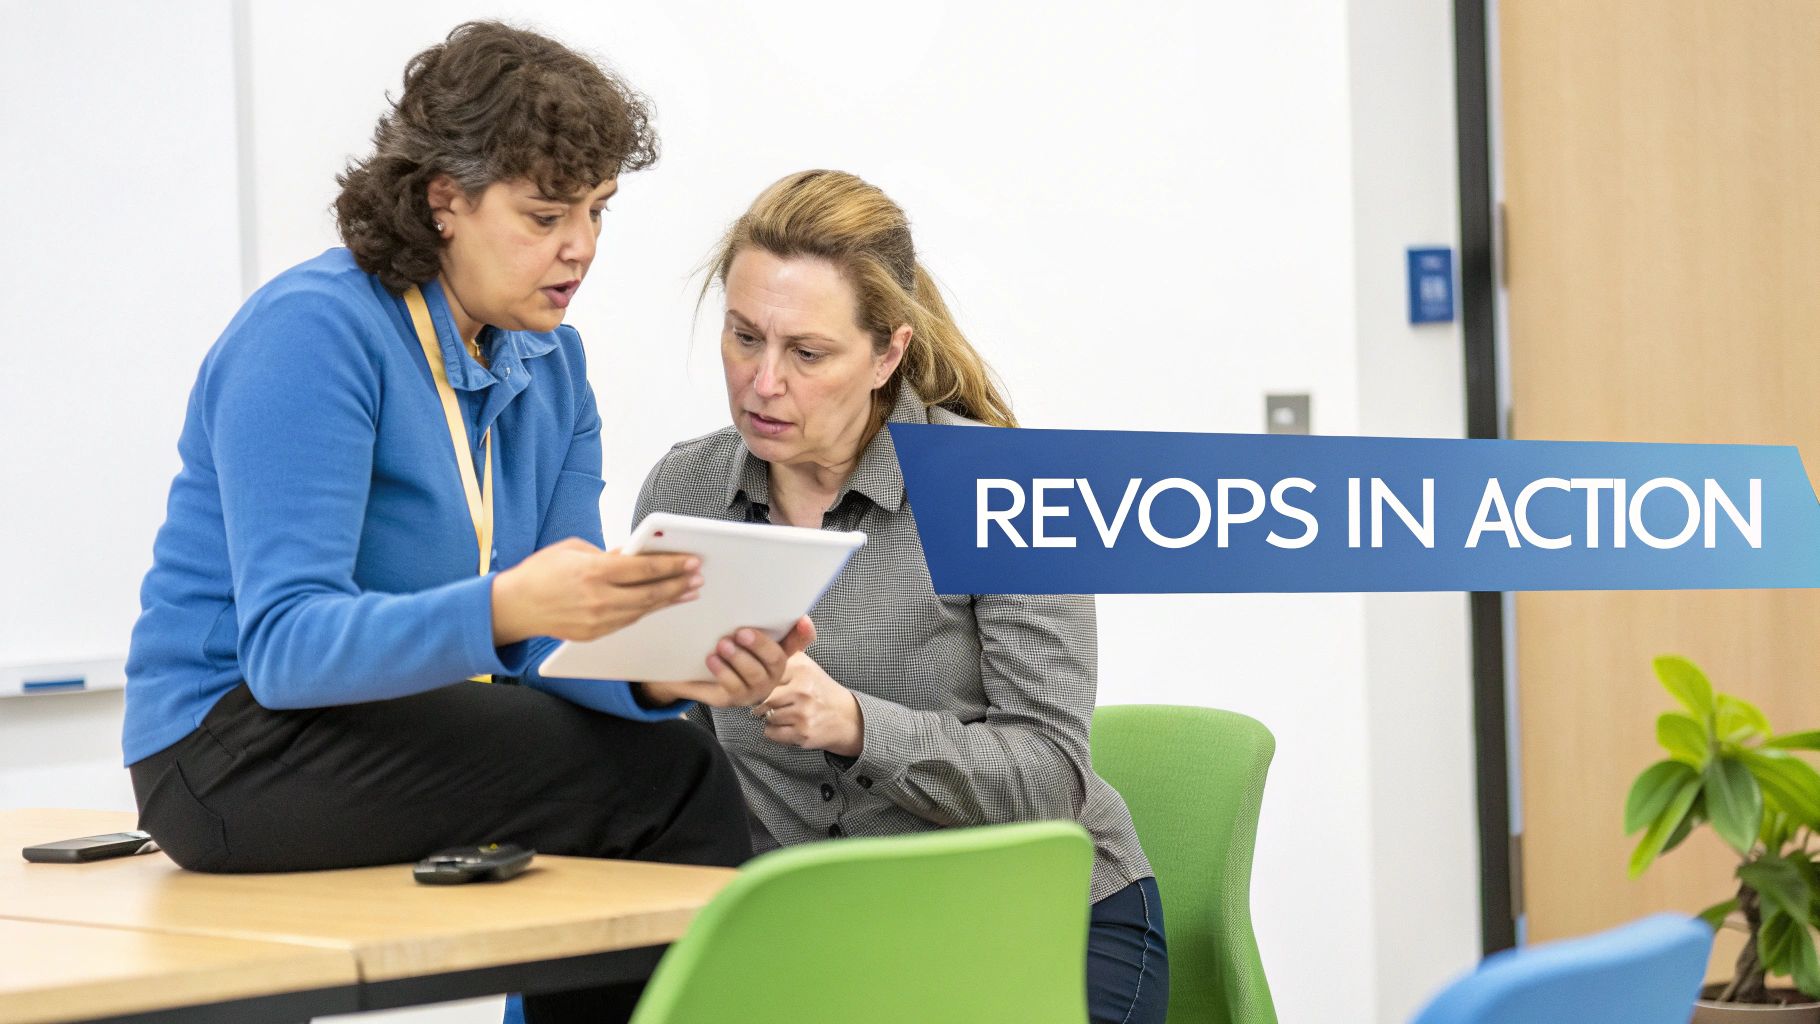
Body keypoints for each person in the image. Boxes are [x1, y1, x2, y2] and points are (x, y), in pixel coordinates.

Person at [121, 23, 805, 1023]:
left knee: (668, 746)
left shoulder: (551, 368)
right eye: (543, 215)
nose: (579, 247)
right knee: (667, 782)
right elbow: (283, 646)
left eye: (596, 212)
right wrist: (507, 605)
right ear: (444, 199)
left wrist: (660, 671)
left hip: (371, 722)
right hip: (224, 748)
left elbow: (547, 648)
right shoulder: (313, 333)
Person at [635, 169, 1169, 1024]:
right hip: (819, 936)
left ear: (888, 354)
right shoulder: (688, 490)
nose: (763, 382)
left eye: (807, 353)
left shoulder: (1010, 489)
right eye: (743, 338)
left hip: (1038, 924)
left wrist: (855, 724)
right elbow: (671, 766)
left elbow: (1050, 780)